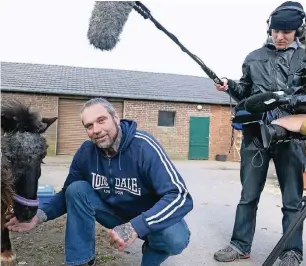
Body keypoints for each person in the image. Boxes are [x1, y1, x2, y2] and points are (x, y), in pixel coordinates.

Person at [5, 98, 193, 266]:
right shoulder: (86, 152)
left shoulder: (144, 147)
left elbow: (180, 196)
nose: (96, 130)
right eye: (89, 126)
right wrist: (38, 215)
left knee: (175, 238)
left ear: (116, 118)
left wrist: (135, 226)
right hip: (114, 215)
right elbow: (66, 194)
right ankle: (82, 261)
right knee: (76, 189)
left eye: (101, 120)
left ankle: (151, 252)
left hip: (148, 217)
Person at [213, 1, 306, 266]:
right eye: (276, 30)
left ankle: (292, 251)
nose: (280, 36)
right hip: (255, 134)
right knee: (248, 195)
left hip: (292, 137)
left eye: (286, 31)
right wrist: (229, 86)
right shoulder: (254, 57)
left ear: (297, 30)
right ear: (270, 29)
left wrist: (288, 100)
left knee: (292, 199)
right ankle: (239, 245)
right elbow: (245, 92)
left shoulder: (305, 57)